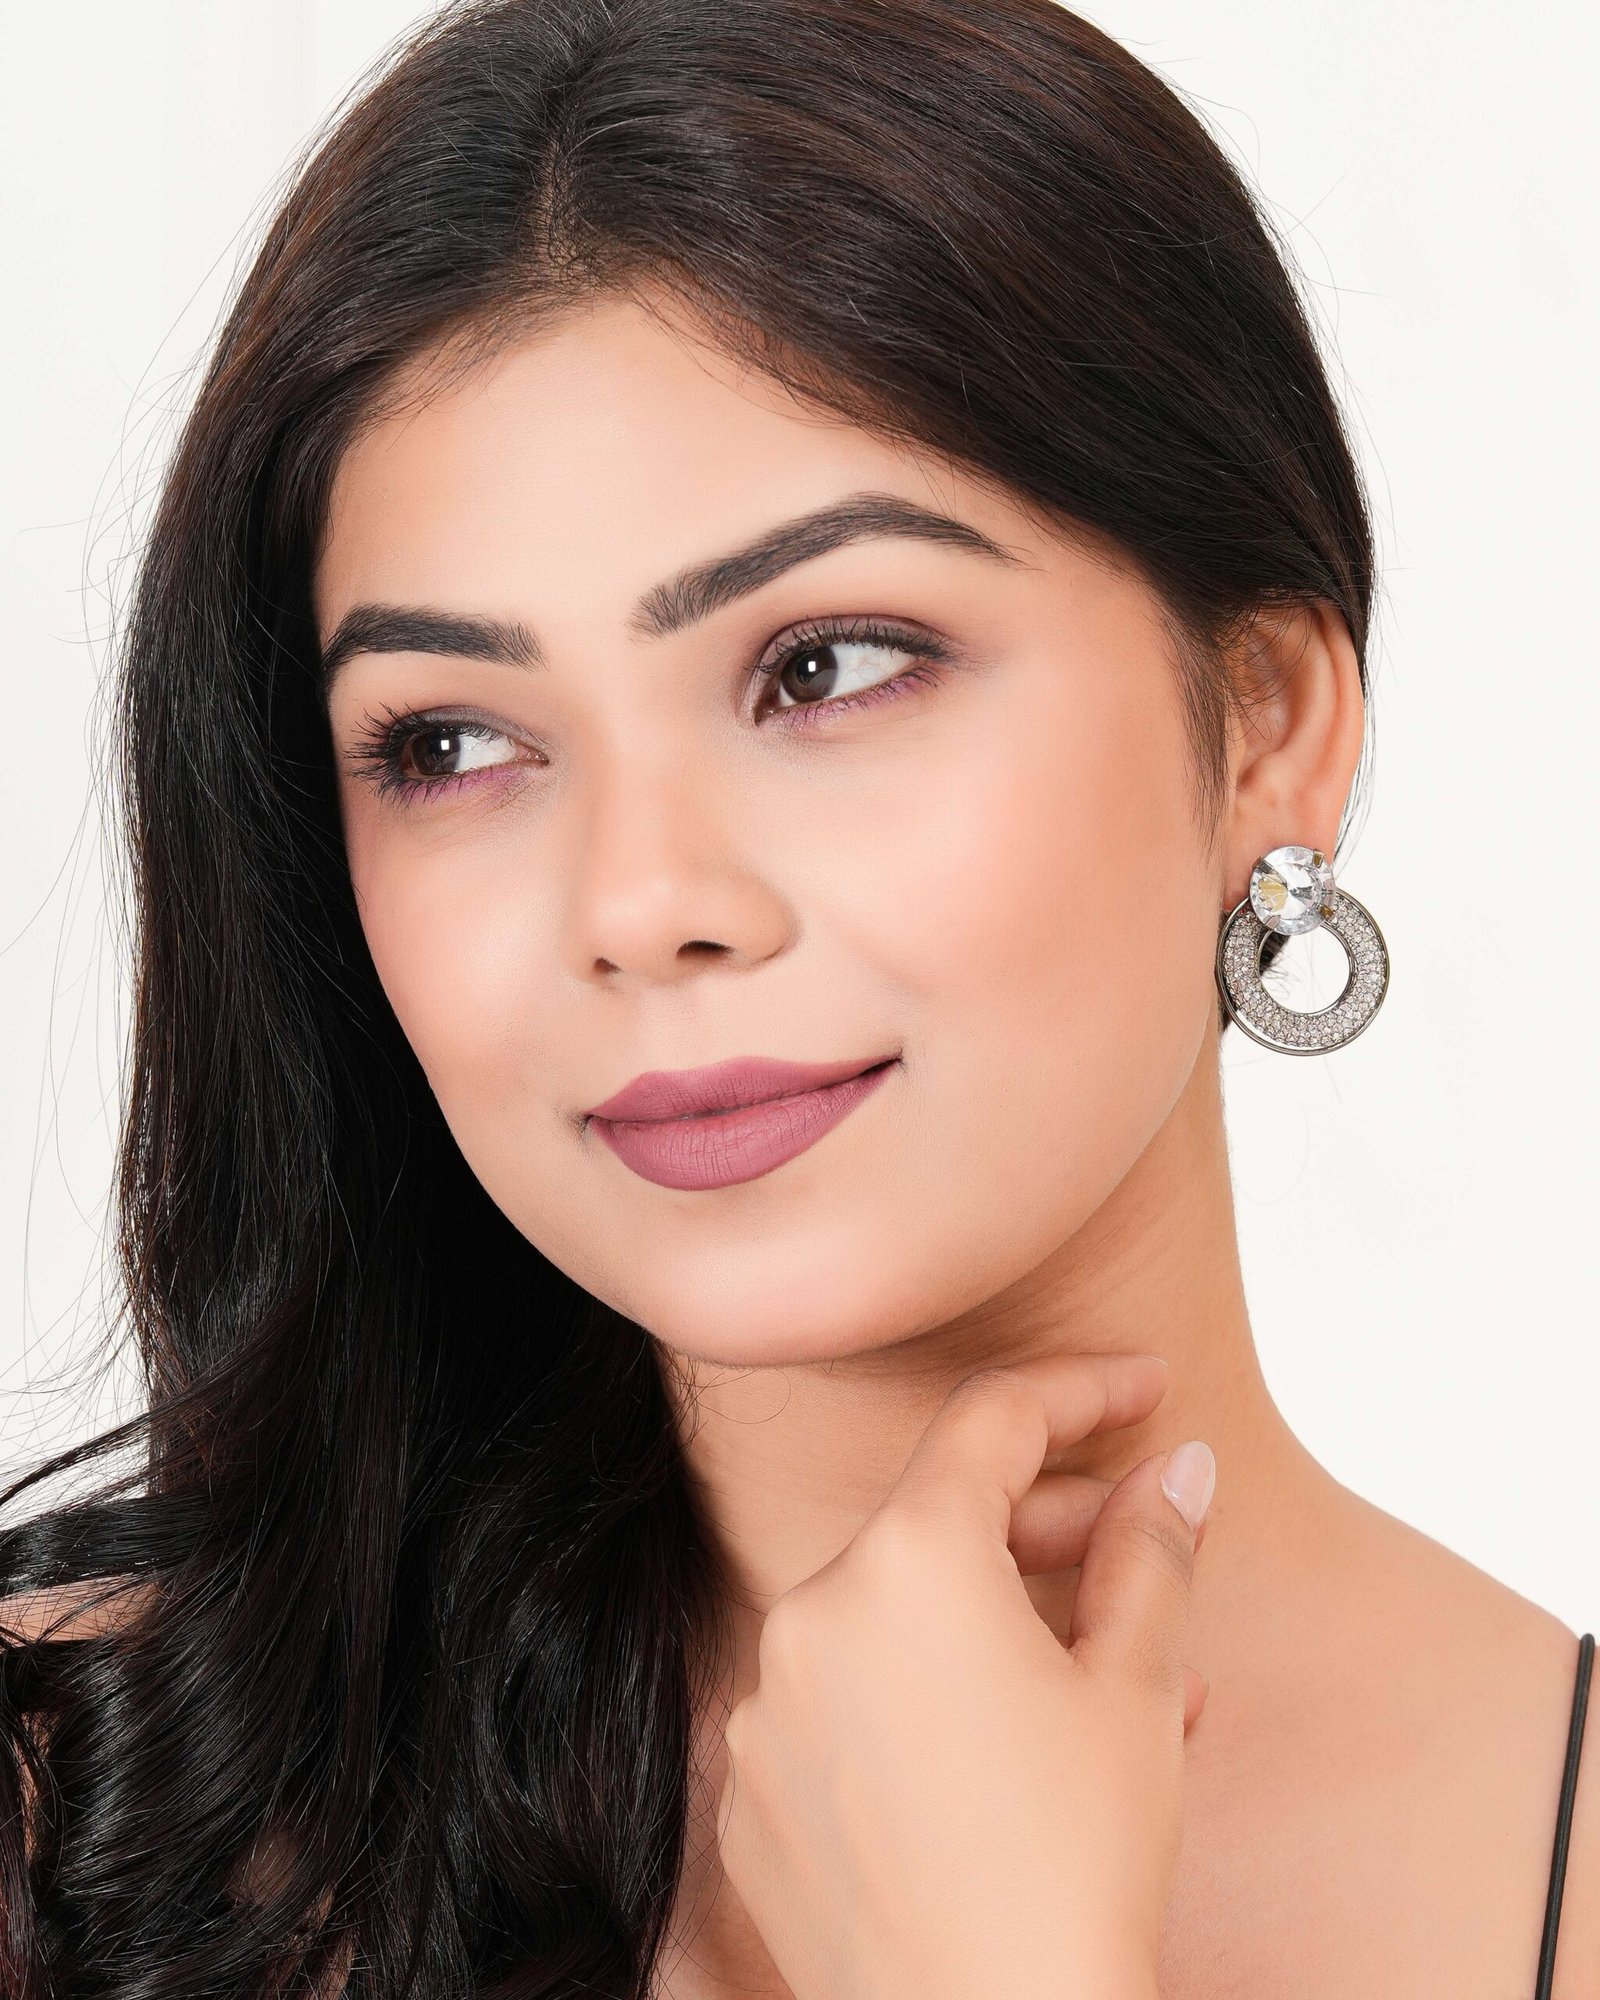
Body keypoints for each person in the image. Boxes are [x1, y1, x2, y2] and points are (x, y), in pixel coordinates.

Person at [0, 1, 1592, 1995]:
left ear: (1266, 721)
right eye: (452, 745)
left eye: (826, 666)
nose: (640, 904)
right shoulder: (73, 1813)